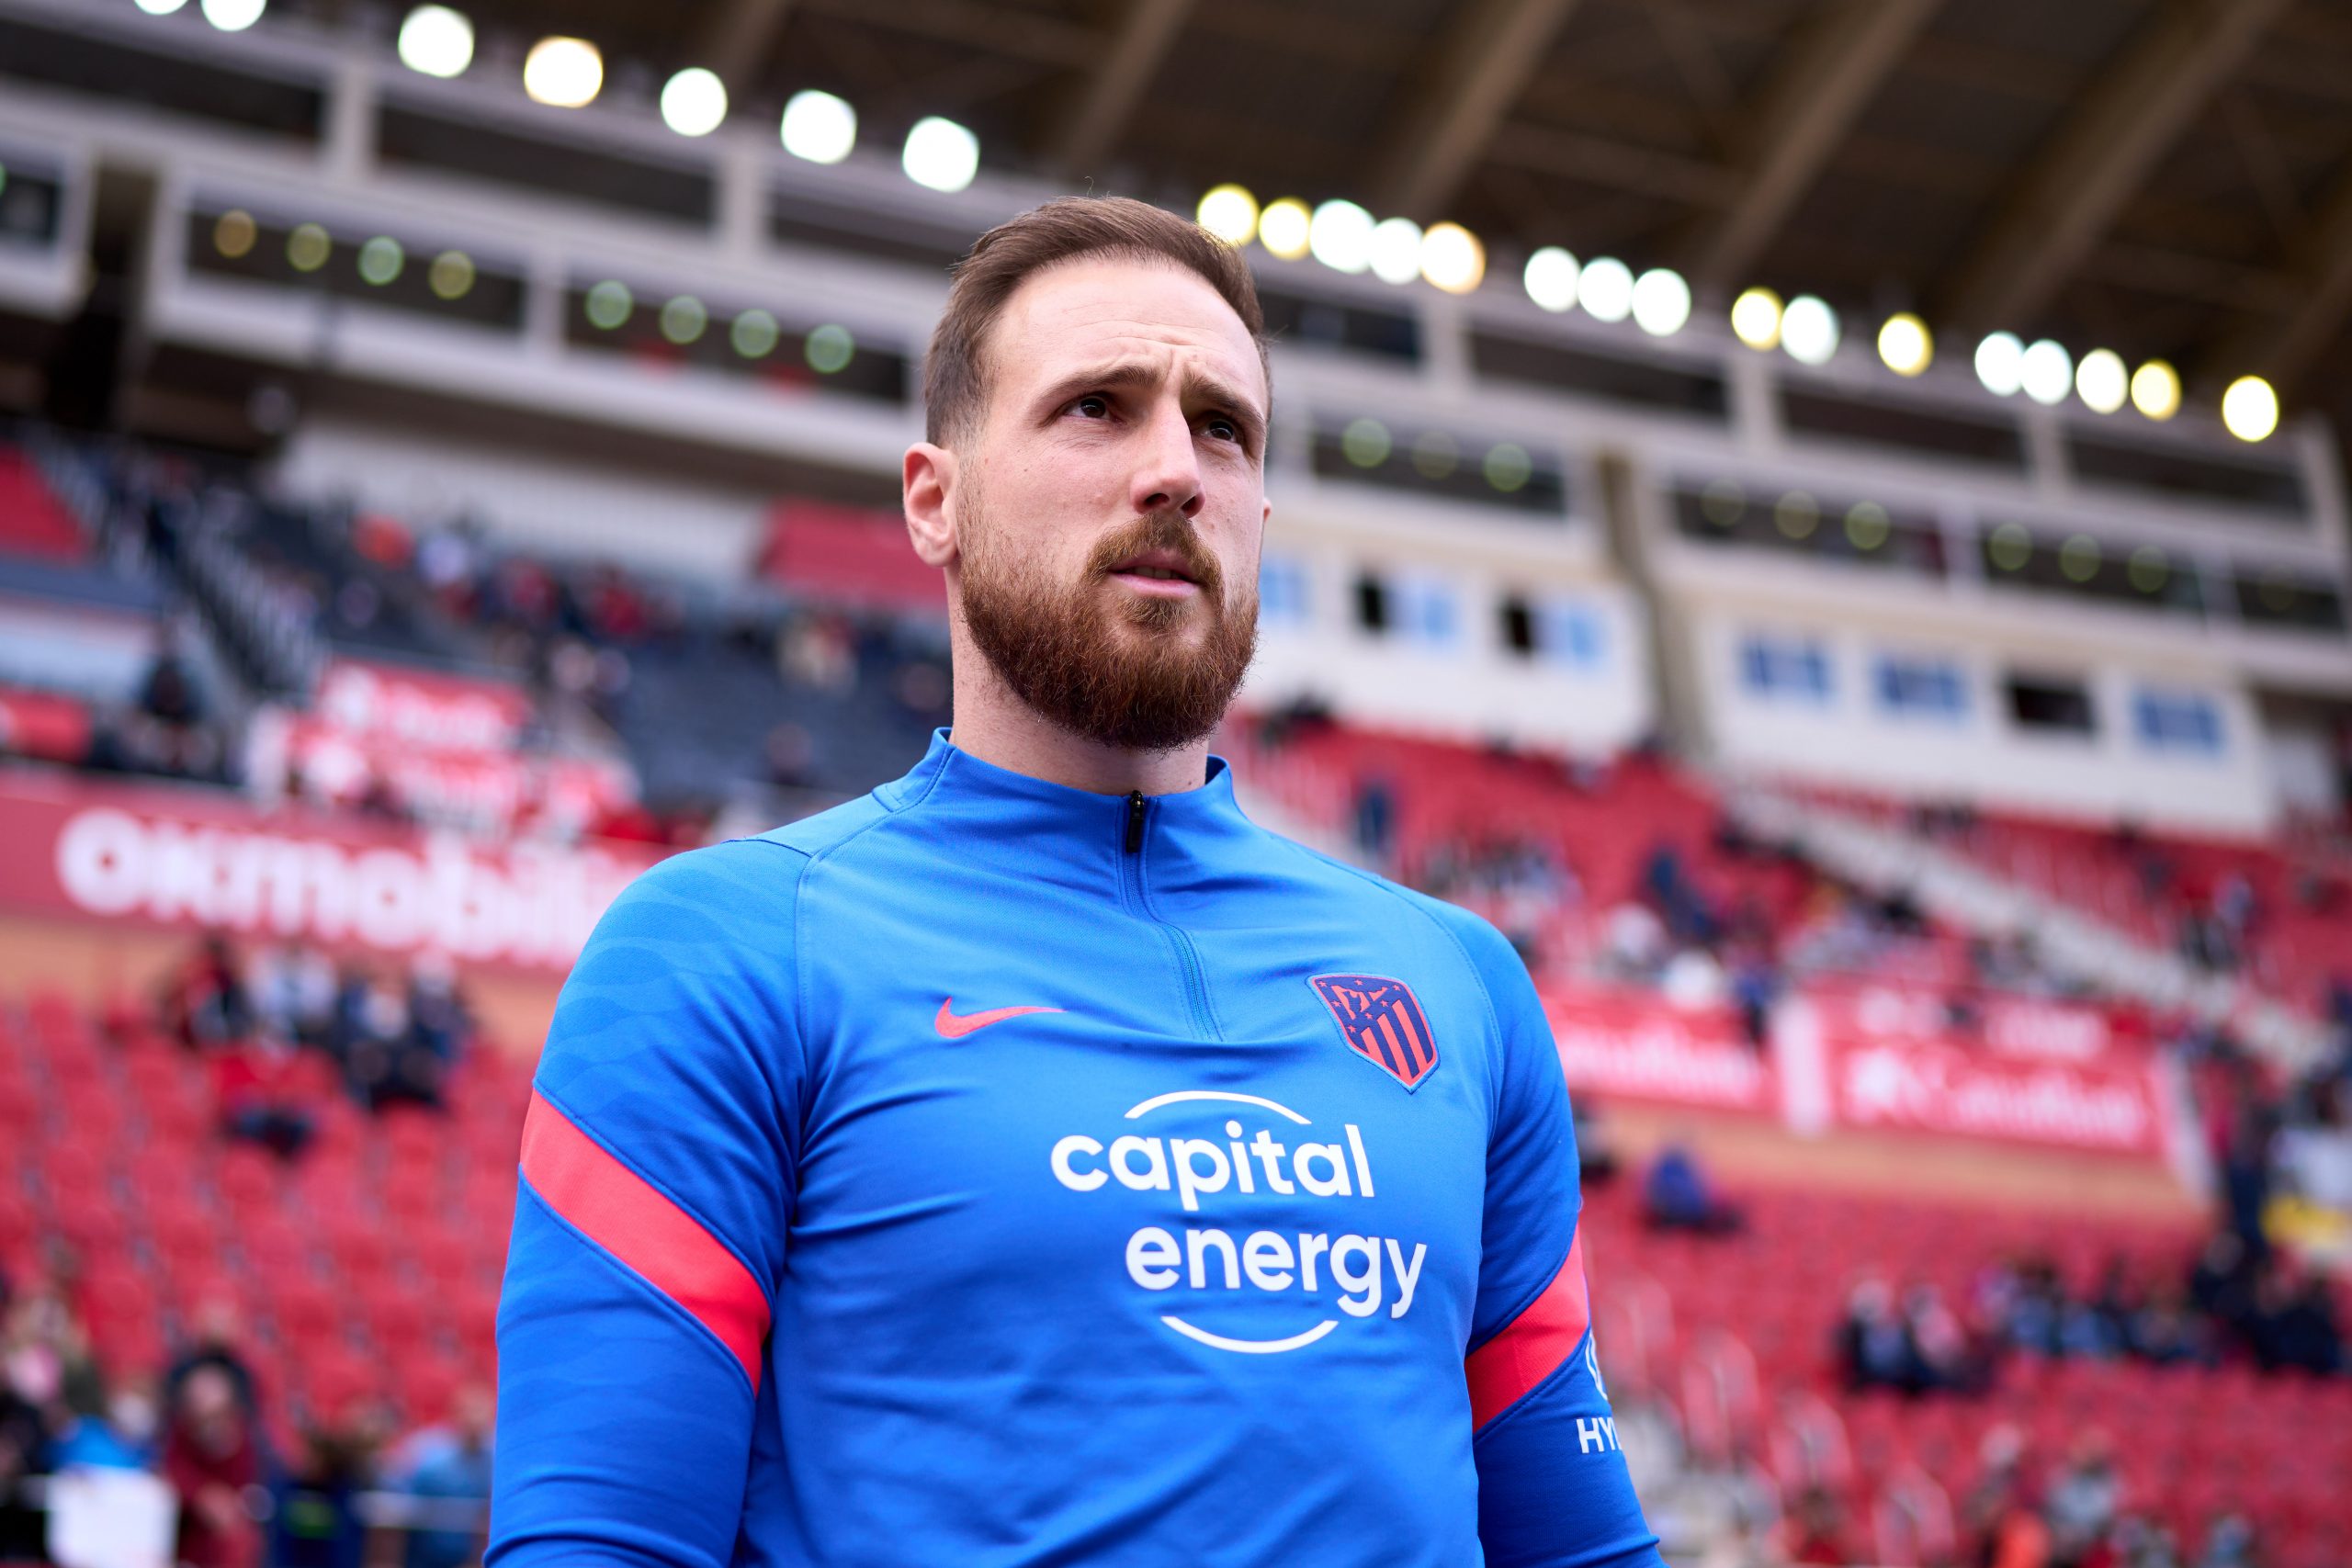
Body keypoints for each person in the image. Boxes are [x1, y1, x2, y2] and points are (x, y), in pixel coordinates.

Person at [492, 197, 1660, 1566]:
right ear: (937, 501)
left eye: (1222, 426)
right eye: (1098, 408)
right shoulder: (724, 949)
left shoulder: (1460, 983)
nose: (1176, 469)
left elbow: (1578, 1545)